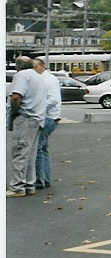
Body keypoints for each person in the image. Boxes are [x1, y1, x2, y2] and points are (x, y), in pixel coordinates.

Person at [6, 56, 47, 197]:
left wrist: (14, 113)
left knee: (20, 152)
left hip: (25, 118)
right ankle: (29, 184)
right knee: (30, 154)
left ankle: (17, 186)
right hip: (38, 118)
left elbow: (16, 96)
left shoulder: (21, 76)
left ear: (17, 67)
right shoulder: (38, 76)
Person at [33, 57, 61, 190]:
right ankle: (45, 178)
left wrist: (38, 108)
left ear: (42, 66)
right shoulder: (49, 78)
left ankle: (40, 179)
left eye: (35, 67)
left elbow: (53, 100)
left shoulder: (46, 79)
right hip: (52, 117)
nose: (33, 69)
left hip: (47, 117)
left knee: (38, 149)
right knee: (42, 148)